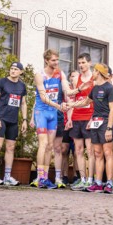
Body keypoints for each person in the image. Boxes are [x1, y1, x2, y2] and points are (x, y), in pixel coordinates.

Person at [67, 63, 113, 193]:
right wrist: (70, 105)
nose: (92, 74)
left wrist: (109, 128)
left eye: (94, 71)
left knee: (107, 153)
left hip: (105, 122)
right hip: (95, 122)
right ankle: (98, 182)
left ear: (98, 72)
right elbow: (85, 102)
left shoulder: (110, 88)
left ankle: (110, 183)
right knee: (98, 153)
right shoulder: (94, 89)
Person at [30, 49, 70, 189]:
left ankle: (45, 178)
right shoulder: (39, 75)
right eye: (53, 60)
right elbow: (43, 98)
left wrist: (77, 91)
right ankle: (40, 177)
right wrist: (59, 106)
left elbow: (67, 90)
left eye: (57, 60)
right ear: (47, 60)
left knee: (50, 146)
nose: (56, 62)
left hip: (53, 113)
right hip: (42, 112)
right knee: (43, 143)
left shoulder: (60, 73)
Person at [0, 62, 27, 186]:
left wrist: (25, 120)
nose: (13, 71)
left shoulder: (22, 86)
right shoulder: (1, 82)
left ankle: (7, 176)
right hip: (1, 118)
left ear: (21, 72)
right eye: (11, 69)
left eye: (16, 69)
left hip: (13, 120)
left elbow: (23, 103)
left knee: (10, 148)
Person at [67, 53, 95, 190]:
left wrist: (93, 118)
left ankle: (90, 179)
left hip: (89, 116)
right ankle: (82, 178)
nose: (81, 65)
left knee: (90, 150)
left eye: (83, 62)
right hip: (77, 116)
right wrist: (70, 117)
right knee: (78, 150)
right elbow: (71, 97)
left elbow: (96, 100)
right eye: (79, 63)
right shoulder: (76, 78)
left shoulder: (94, 78)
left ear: (89, 63)